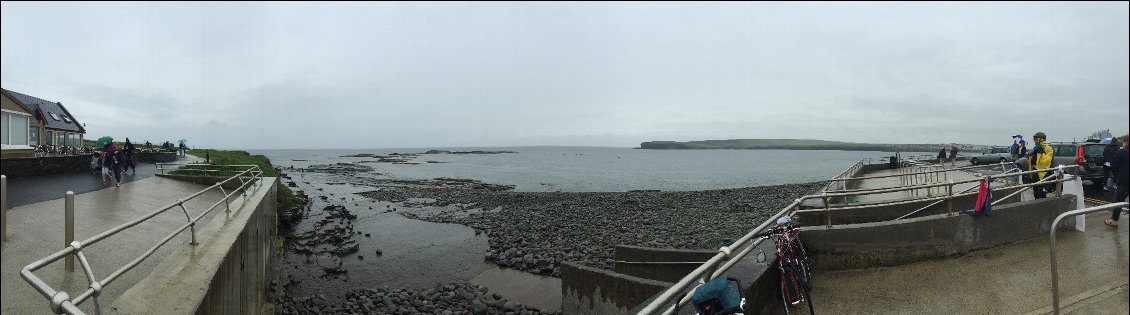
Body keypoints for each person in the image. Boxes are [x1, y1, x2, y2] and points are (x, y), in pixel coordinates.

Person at [1105, 134, 1128, 227]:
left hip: (1124, 181)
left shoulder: (1122, 152)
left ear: (1125, 141)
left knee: (1119, 200)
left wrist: (1118, 174)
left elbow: (1113, 165)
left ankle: (1114, 221)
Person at [1027, 132, 1054, 199]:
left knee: (1041, 192)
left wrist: (1041, 152)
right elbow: (1033, 161)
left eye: (1035, 139)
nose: (1034, 141)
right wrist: (1029, 156)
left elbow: (1046, 161)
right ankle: (1037, 204)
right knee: (1035, 191)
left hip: (1043, 173)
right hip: (1035, 172)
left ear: (1040, 139)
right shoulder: (1036, 147)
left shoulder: (1048, 148)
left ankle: (1042, 206)